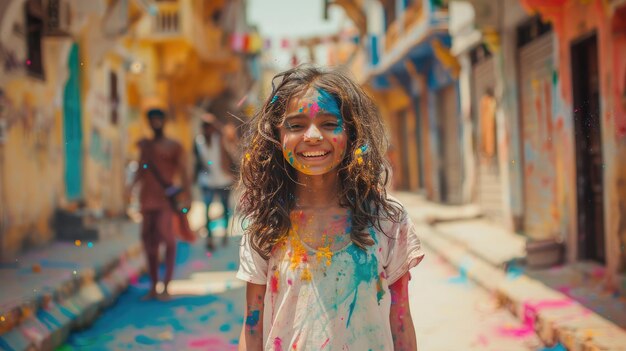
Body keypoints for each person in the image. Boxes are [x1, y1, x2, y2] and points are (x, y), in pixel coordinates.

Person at [235, 65, 425, 350]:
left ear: (351, 132)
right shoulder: (265, 223)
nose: (312, 136)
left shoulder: (386, 218)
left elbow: (401, 321)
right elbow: (253, 325)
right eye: (296, 125)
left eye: (328, 123)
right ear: (277, 136)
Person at [129, 108, 190, 300]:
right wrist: (129, 189)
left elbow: (184, 171)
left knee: (169, 241)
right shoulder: (145, 146)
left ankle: (166, 286)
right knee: (149, 244)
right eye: (152, 120)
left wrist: (188, 194)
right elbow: (141, 169)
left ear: (164, 121)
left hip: (165, 201)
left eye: (158, 119)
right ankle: (154, 287)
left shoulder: (173, 146)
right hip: (146, 201)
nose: (155, 123)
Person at [193, 113, 236, 251]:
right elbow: (196, 162)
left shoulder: (221, 140)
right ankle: (209, 238)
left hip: (224, 180)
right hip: (207, 182)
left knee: (225, 208)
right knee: (206, 210)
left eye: (210, 127)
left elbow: (231, 150)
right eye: (205, 127)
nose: (207, 130)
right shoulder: (198, 142)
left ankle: (224, 233)